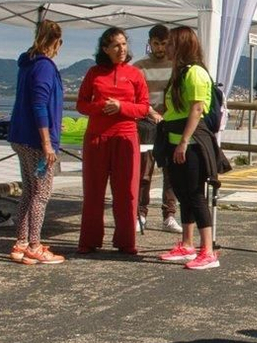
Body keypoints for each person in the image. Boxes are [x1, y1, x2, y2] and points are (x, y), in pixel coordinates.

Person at [76, 27, 152, 255]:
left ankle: (126, 242)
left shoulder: (135, 74)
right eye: (116, 45)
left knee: (126, 193)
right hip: (97, 138)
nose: (122, 49)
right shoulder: (94, 73)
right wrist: (100, 106)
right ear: (105, 49)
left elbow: (143, 107)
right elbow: (81, 104)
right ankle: (89, 241)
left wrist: (121, 107)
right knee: (93, 192)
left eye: (124, 44)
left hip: (126, 137)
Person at [157, 26, 225, 271]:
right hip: (175, 140)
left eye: (171, 43)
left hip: (193, 143)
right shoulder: (179, 73)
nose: (167, 48)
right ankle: (187, 243)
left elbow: (197, 108)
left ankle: (207, 250)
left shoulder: (195, 73)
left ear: (182, 46)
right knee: (182, 192)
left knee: (196, 195)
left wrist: (185, 141)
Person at [7, 20, 67, 265]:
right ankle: (34, 244)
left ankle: (21, 243)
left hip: (21, 136)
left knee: (29, 192)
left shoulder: (27, 64)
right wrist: (47, 142)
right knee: (41, 194)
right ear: (56, 42)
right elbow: (39, 103)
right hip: (36, 140)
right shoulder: (44, 66)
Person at [135, 24, 179, 235]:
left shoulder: (176, 65)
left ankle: (169, 215)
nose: (160, 48)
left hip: (170, 122)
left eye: (163, 44)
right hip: (147, 122)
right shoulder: (139, 67)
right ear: (149, 43)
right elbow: (137, 97)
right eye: (156, 44)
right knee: (144, 171)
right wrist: (152, 113)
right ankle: (140, 213)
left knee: (171, 171)